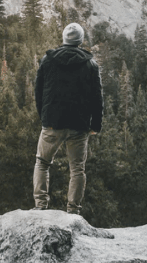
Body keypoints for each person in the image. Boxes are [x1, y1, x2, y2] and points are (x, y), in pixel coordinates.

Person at [32, 22, 103, 215]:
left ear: (64, 39)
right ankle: (73, 210)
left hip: (52, 122)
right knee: (77, 169)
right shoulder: (90, 64)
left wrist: (44, 116)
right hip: (79, 125)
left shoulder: (48, 60)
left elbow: (38, 91)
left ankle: (40, 205)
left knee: (42, 162)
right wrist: (95, 125)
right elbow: (97, 98)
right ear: (80, 41)